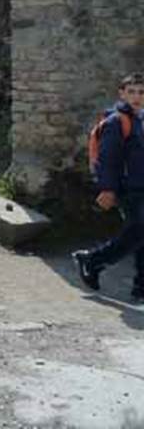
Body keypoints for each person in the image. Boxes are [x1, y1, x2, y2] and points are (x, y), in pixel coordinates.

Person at [73, 73, 144, 301]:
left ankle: (141, 288)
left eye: (141, 92)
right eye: (131, 92)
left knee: (140, 234)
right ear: (122, 94)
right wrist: (108, 189)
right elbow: (108, 159)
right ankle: (93, 260)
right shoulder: (117, 121)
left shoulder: (141, 119)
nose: (137, 97)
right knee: (139, 229)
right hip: (128, 188)